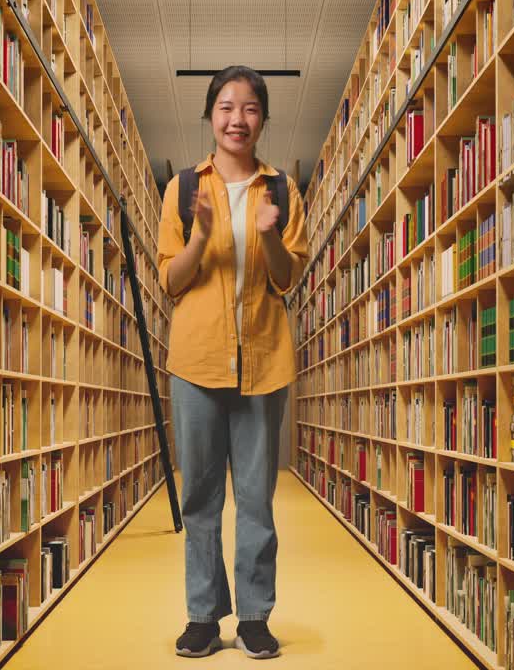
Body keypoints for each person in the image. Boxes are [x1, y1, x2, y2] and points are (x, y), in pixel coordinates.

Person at [156, 65, 309, 659]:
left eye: (248, 108)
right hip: (196, 361)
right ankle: (201, 616)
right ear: (210, 115)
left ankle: (253, 616)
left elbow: (287, 277)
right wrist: (199, 235)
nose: (236, 119)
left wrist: (269, 233)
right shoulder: (183, 189)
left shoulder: (281, 190)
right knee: (199, 496)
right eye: (225, 107)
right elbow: (170, 280)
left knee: (255, 498)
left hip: (265, 361)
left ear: (262, 118)